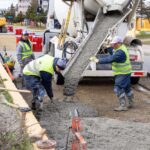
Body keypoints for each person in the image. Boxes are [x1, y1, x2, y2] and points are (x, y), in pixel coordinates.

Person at [90, 36, 134, 111]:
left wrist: (98, 60)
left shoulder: (120, 52)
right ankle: (131, 102)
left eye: (114, 44)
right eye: (113, 44)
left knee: (118, 88)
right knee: (127, 87)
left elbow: (111, 58)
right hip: (125, 72)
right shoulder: (120, 48)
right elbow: (113, 52)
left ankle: (122, 106)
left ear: (119, 43)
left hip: (122, 73)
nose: (113, 45)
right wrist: (108, 47)